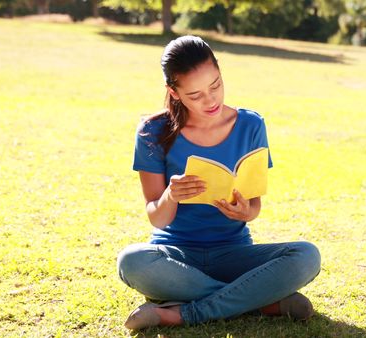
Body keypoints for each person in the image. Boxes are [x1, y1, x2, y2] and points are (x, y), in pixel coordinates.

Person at [116, 35, 321, 329]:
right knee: (131, 261)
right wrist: (171, 196)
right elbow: (157, 219)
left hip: (234, 252)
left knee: (307, 256)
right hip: (176, 257)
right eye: (196, 95)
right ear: (173, 92)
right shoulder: (152, 131)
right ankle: (260, 302)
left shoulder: (251, 125)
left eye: (215, 86)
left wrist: (245, 212)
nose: (210, 100)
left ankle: (183, 313)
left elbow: (254, 206)